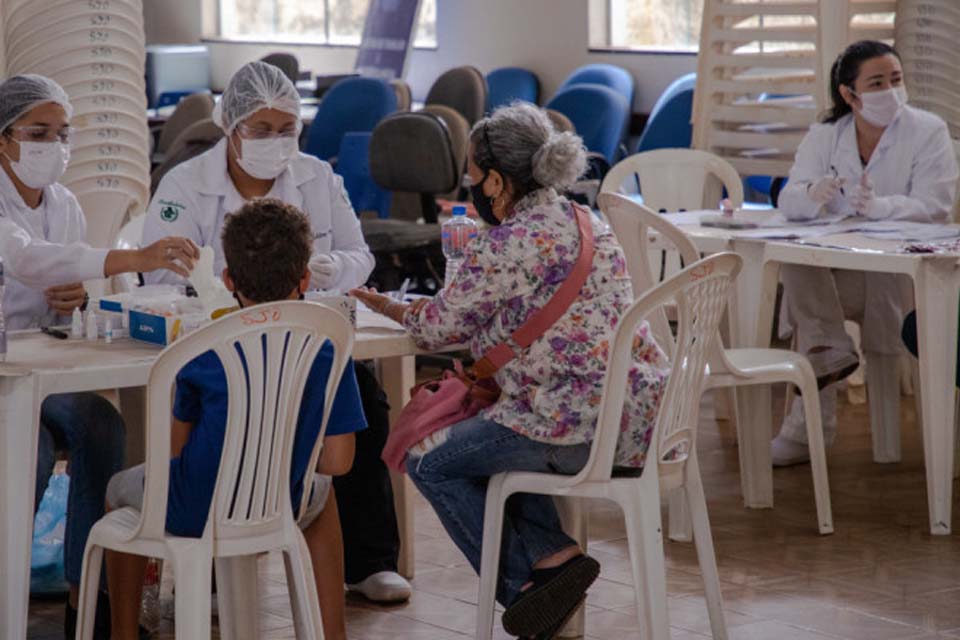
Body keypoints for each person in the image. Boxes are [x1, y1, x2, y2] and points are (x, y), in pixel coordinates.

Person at [352, 103, 669, 639]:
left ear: (496, 180)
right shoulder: (586, 220)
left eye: (473, 177)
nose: (471, 188)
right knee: (489, 438)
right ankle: (554, 556)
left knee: (431, 462)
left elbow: (434, 328)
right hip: (633, 420)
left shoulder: (505, 242)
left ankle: (525, 589)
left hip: (570, 430)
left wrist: (385, 305)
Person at [140, 60, 409, 602]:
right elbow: (156, 273)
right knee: (220, 414)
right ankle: (214, 568)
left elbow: (360, 255)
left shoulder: (317, 176)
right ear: (229, 126)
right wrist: (231, 285)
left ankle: (369, 560)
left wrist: (328, 268)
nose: (275, 141)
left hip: (305, 343)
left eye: (286, 128)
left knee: (369, 401)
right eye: (260, 130)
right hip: (218, 348)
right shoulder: (185, 185)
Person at [105, 199, 367, 640]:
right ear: (304, 277)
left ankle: (123, 632)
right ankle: (332, 632)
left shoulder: (203, 350)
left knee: (117, 490)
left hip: (194, 509)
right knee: (321, 498)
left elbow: (176, 451)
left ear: (228, 280)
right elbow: (339, 462)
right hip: (280, 504)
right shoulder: (325, 348)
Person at [0, 74, 198, 640]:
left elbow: (64, 284)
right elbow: (27, 259)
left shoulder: (64, 203)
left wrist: (79, 295)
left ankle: (83, 597)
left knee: (101, 424)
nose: (53, 146)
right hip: (5, 365)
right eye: (38, 132)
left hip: (46, 360)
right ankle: (6, 590)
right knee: (28, 445)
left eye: (62, 134)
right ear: (2, 138)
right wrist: (131, 255)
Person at [772, 40, 958, 466]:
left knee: (813, 313)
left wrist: (882, 208)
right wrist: (812, 195)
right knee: (796, 260)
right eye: (876, 82)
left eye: (896, 79)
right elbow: (789, 201)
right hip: (835, 273)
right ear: (849, 94)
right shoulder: (825, 135)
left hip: (897, 277)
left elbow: (936, 206)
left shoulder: (927, 130)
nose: (890, 90)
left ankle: (823, 359)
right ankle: (829, 348)